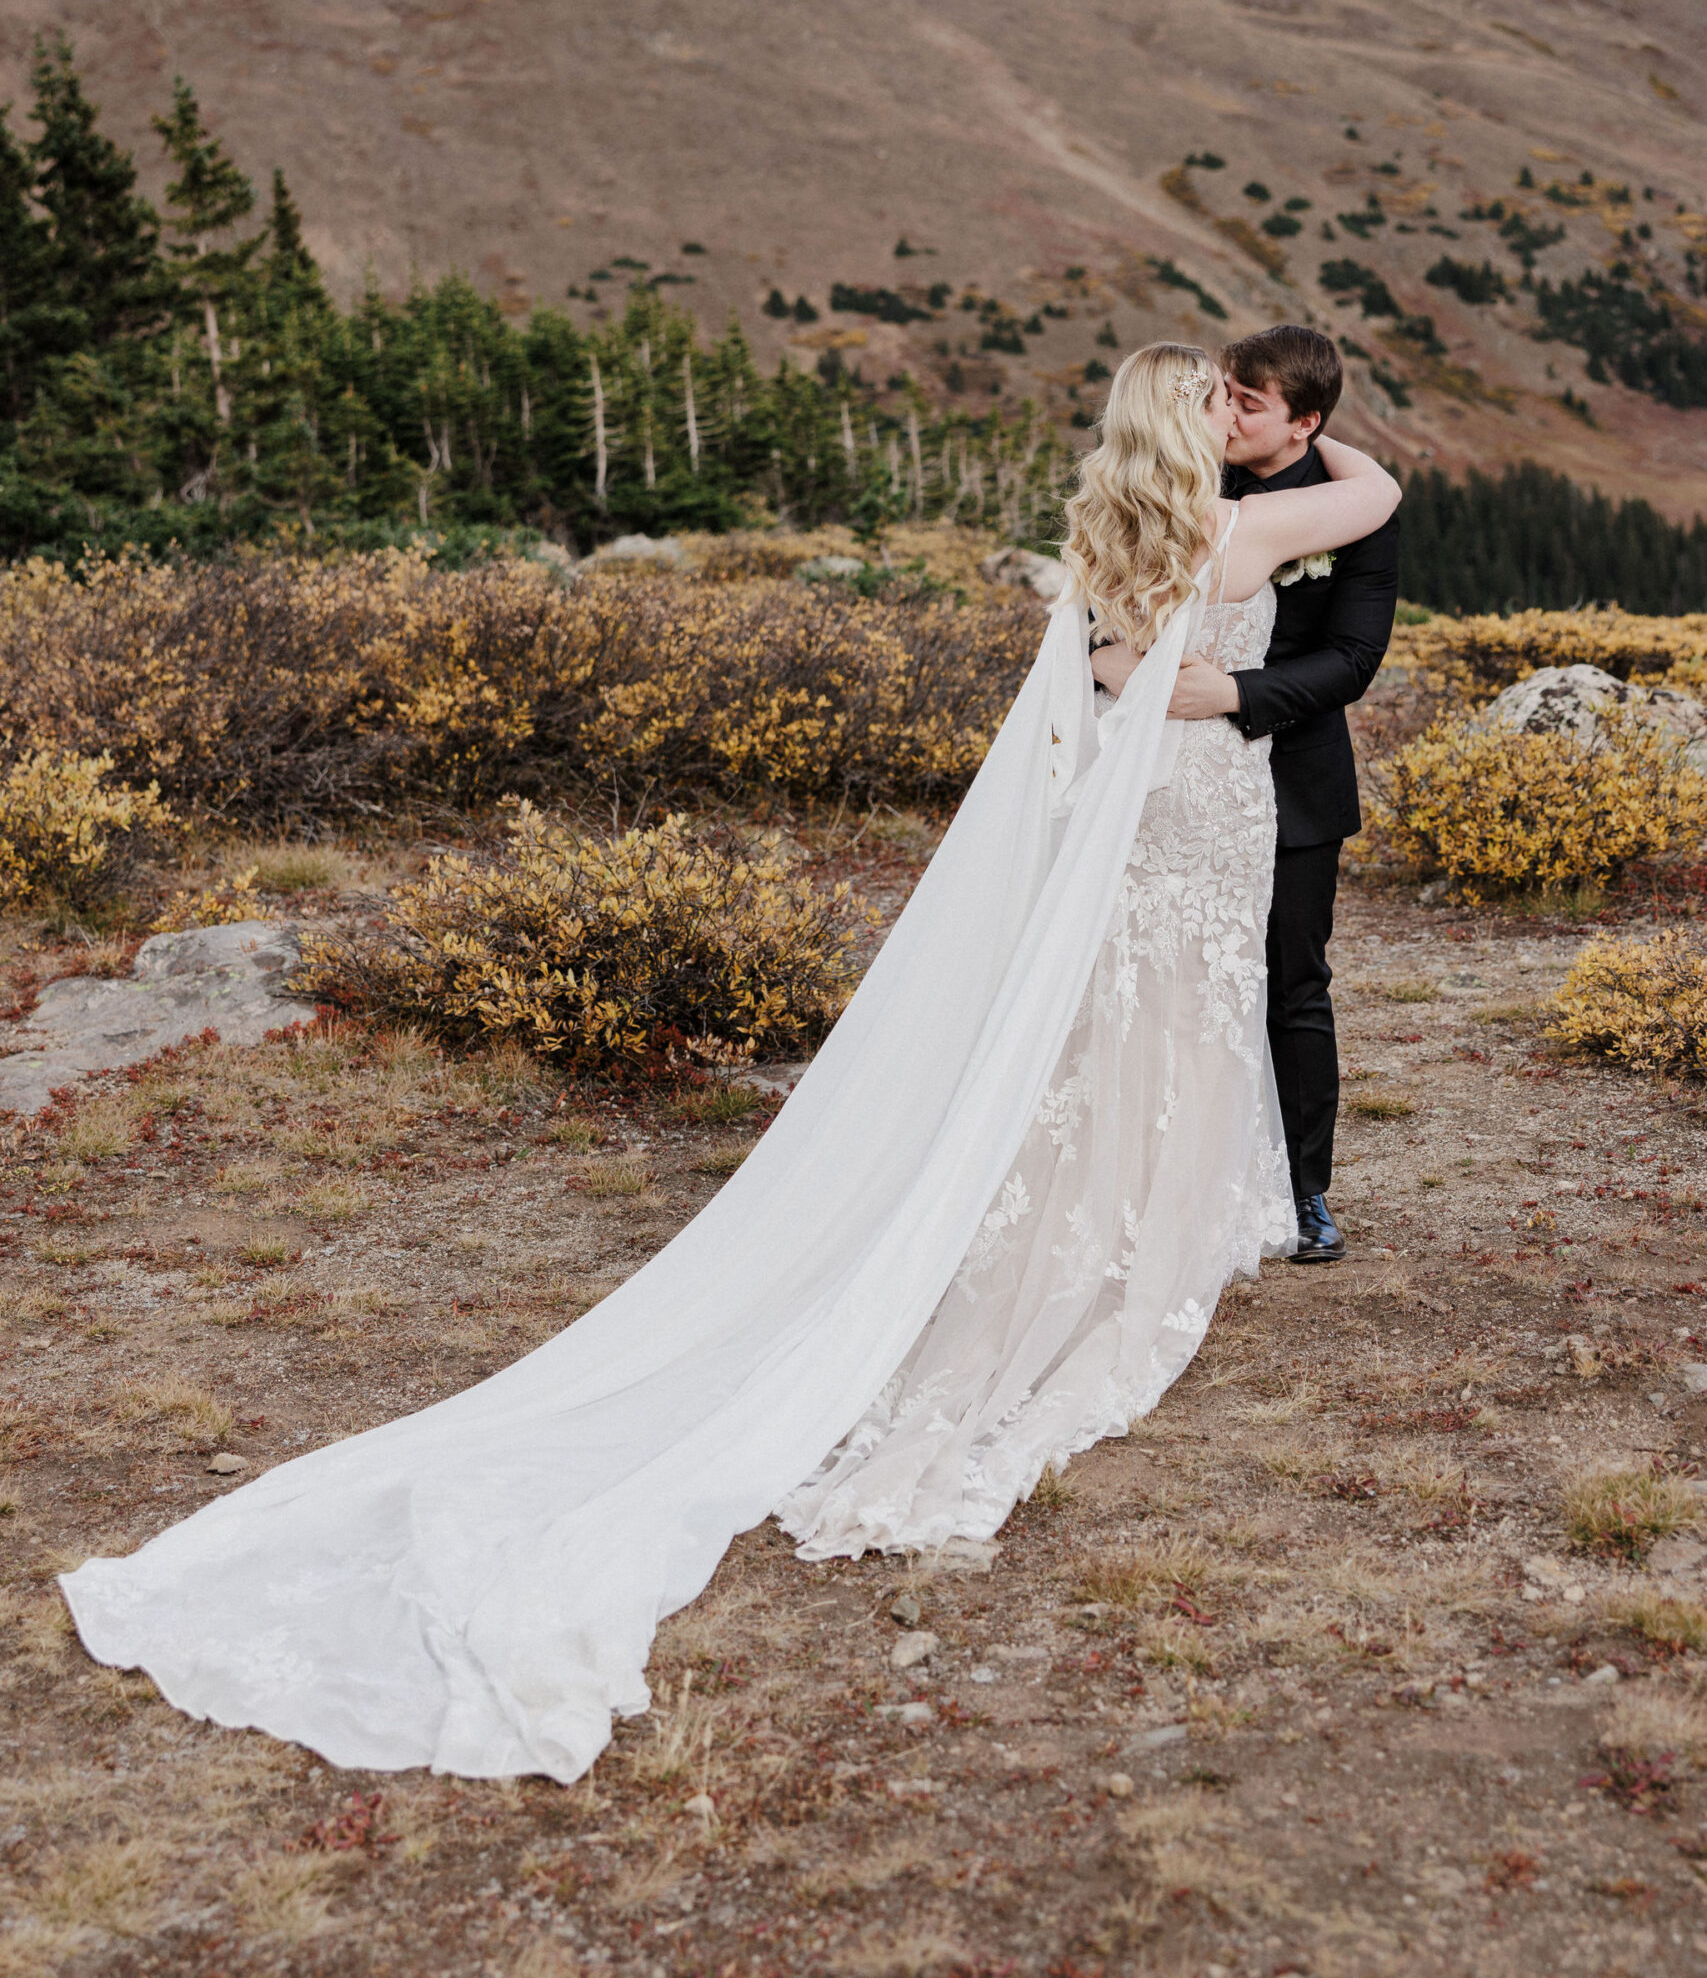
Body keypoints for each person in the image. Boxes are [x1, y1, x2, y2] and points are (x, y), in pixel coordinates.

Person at [61, 344, 1400, 1787]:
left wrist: (1144, 663)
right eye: (1215, 401)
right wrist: (1275, 486)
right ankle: (1155, 1227)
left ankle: (1124, 1208)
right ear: (1191, 429)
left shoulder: (1115, 525)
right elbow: (1376, 486)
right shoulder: (1238, 523)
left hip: (1146, 808)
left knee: (1113, 1016)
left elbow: (1098, 652)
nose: (1232, 416)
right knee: (1179, 1012)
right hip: (1197, 805)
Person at [1163, 327, 1399, 1264]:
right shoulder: (1183, 484)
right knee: (1175, 975)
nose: (1226, 410)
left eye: (1249, 401)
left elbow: (1354, 659)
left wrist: (1235, 696)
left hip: (1293, 778)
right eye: (1225, 392)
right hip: (1176, 786)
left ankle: (1303, 1191)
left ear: (1303, 423)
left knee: (1290, 985)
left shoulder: (1358, 511)